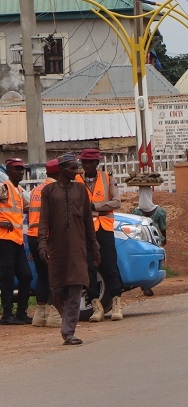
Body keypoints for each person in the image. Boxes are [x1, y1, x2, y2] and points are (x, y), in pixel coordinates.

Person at [39, 153, 101, 345]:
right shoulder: (48, 191)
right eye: (73, 168)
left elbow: (87, 222)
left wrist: (95, 245)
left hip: (77, 247)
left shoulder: (81, 190)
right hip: (57, 248)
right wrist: (42, 243)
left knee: (75, 287)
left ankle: (68, 331)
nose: (77, 171)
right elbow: (44, 221)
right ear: (62, 170)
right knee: (57, 289)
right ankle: (67, 319)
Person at [76, 148, 124, 322]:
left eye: (91, 162)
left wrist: (94, 207)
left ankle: (117, 302)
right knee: (89, 268)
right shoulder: (76, 180)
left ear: (97, 163)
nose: (87, 165)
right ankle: (96, 305)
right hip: (85, 230)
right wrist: (101, 207)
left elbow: (117, 202)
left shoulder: (107, 178)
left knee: (110, 265)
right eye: (85, 162)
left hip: (104, 228)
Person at [0, 158, 32, 324]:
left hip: (17, 241)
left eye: (22, 169)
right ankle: (7, 315)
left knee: (26, 276)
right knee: (6, 277)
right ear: (8, 171)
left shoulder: (19, 190)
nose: (20, 172)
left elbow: (30, 206)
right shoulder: (3, 187)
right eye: (17, 169)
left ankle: (21, 312)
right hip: (4, 240)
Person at [28, 160, 60, 327]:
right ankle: (55, 315)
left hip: (33, 237)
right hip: (47, 237)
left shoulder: (36, 189)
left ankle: (39, 315)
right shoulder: (53, 189)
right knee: (55, 275)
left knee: (42, 274)